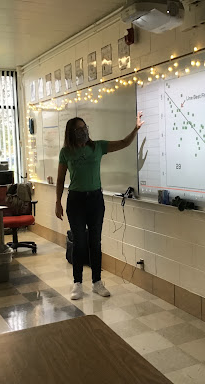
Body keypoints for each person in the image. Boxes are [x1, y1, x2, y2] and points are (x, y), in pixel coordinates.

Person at [55, 112, 144, 300]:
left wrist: (135, 129)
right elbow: (61, 178)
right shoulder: (66, 152)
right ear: (71, 132)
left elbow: (123, 143)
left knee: (95, 242)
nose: (83, 131)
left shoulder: (97, 147)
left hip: (95, 199)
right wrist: (57, 201)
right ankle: (77, 283)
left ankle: (97, 282)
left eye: (84, 127)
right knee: (79, 243)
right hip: (76, 200)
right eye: (78, 129)